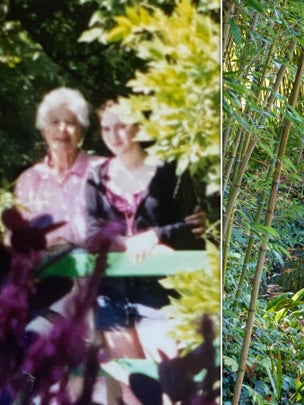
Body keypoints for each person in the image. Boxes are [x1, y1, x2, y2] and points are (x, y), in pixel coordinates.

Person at [85, 99, 207, 362]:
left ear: (138, 126)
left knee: (170, 377)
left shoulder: (167, 171)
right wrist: (123, 243)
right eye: (107, 129)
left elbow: (193, 226)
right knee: (133, 386)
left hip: (159, 291)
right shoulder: (95, 177)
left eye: (121, 126)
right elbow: (92, 234)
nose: (113, 135)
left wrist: (156, 236)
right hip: (111, 294)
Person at [14, 87, 104, 248]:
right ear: (43, 130)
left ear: (81, 130)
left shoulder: (101, 170)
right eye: (54, 122)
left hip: (97, 269)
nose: (61, 129)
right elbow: (15, 240)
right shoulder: (28, 181)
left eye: (70, 122)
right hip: (41, 271)